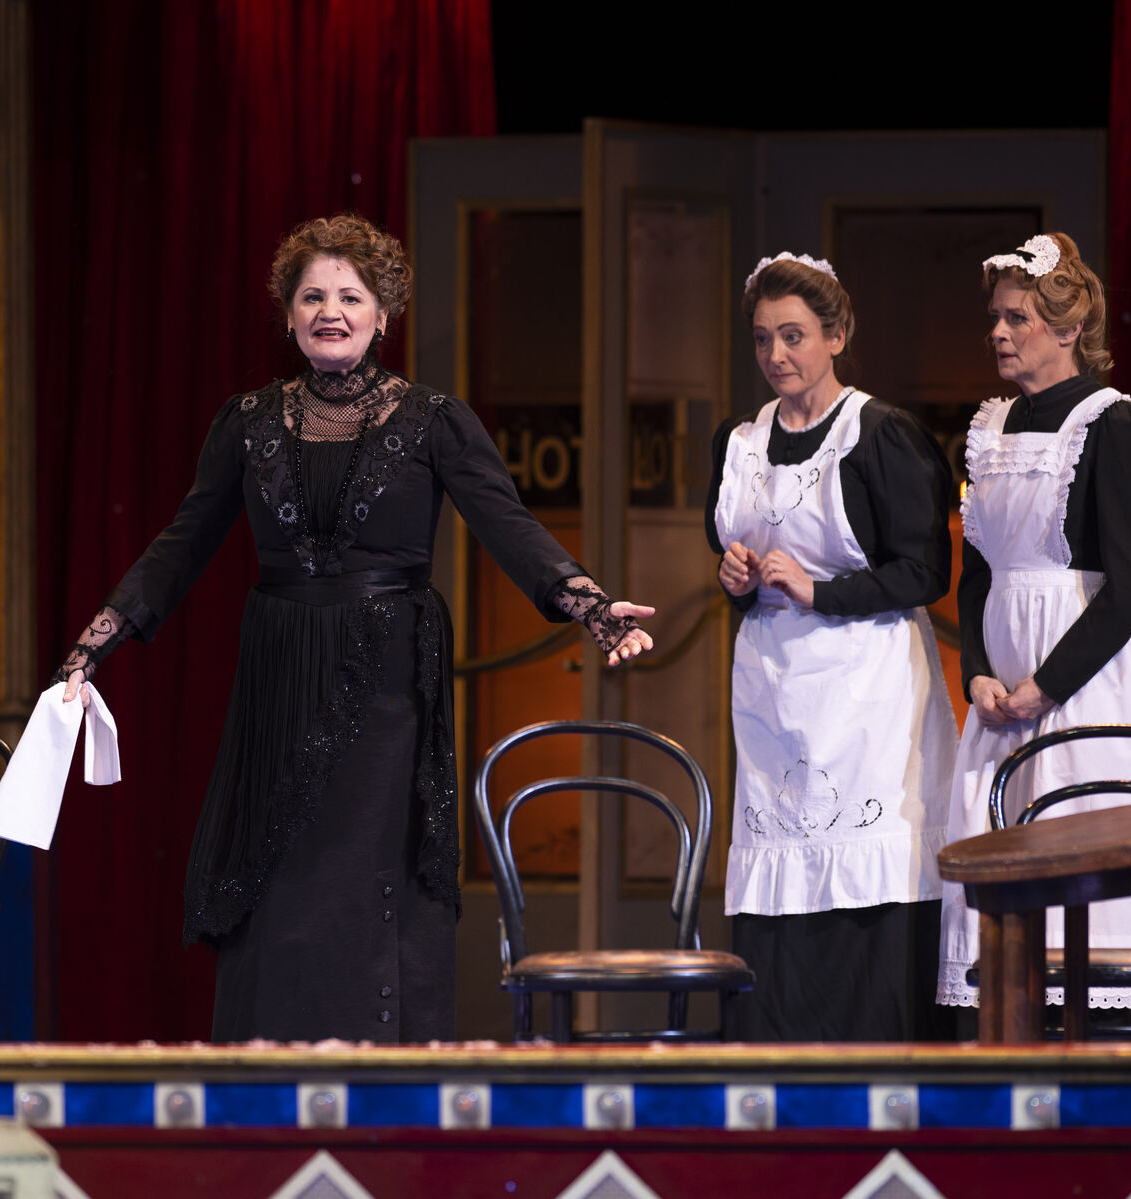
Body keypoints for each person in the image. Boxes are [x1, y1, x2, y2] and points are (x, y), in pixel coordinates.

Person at [52, 214, 654, 1043]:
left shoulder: (433, 420)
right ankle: (269, 1079)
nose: (330, 310)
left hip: (385, 681)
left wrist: (587, 602)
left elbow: (509, 525)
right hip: (281, 667)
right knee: (279, 874)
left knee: (369, 876)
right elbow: (181, 543)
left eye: (349, 295)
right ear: (289, 314)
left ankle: (384, 1077)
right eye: (312, 296)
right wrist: (96, 644)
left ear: (383, 311)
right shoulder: (250, 421)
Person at [709, 252, 957, 1040]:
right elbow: (731, 571)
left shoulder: (880, 435)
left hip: (867, 694)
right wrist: (736, 576)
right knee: (781, 888)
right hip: (776, 694)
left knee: (869, 879)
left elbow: (925, 570)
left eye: (794, 336)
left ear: (837, 335)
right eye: (761, 340)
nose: (776, 356)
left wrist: (823, 590)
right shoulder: (739, 442)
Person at [936, 232, 1131, 1019]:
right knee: (1000, 890)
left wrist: (1046, 685)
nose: (999, 333)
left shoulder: (1117, 425)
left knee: (1087, 875)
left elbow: (1129, 585)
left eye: (1019, 318)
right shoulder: (990, 426)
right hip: (1002, 702)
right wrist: (978, 672)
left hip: (1084, 690)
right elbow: (976, 573)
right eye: (996, 319)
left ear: (1069, 328)